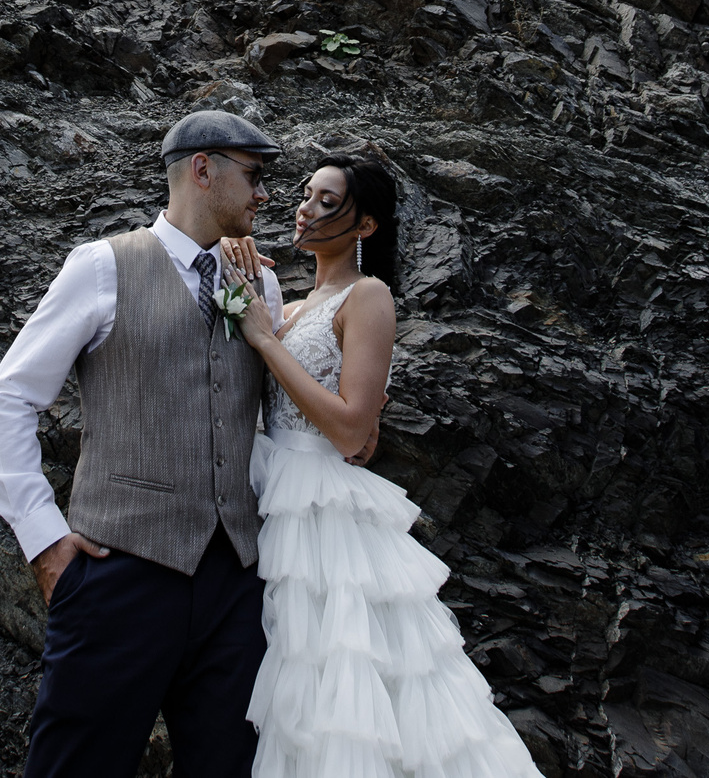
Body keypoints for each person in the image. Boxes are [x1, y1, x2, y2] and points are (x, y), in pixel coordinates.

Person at [0, 109, 288, 778]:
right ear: (201, 170)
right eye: (254, 175)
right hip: (119, 573)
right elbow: (9, 400)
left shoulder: (260, 282)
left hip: (235, 584)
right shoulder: (101, 266)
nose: (264, 193)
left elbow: (265, 422)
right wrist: (45, 540)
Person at [227, 153, 543, 778]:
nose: (305, 207)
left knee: (339, 686)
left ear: (364, 226)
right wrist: (241, 260)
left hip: (319, 509)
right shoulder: (288, 304)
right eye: (306, 194)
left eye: (326, 201)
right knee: (293, 686)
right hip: (268, 490)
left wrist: (262, 339)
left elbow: (348, 427)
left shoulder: (368, 296)